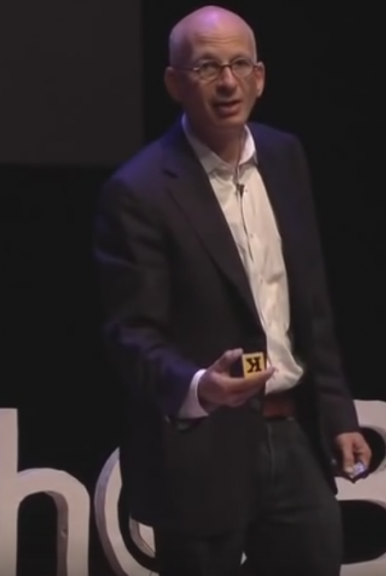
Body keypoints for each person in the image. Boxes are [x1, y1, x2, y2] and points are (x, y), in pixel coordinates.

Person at [92, 6, 370, 575]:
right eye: (207, 68)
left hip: (294, 437)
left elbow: (309, 302)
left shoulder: (285, 156)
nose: (227, 83)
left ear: (260, 77)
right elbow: (132, 334)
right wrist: (201, 387)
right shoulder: (139, 191)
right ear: (175, 83)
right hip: (202, 451)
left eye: (240, 64)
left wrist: (339, 414)